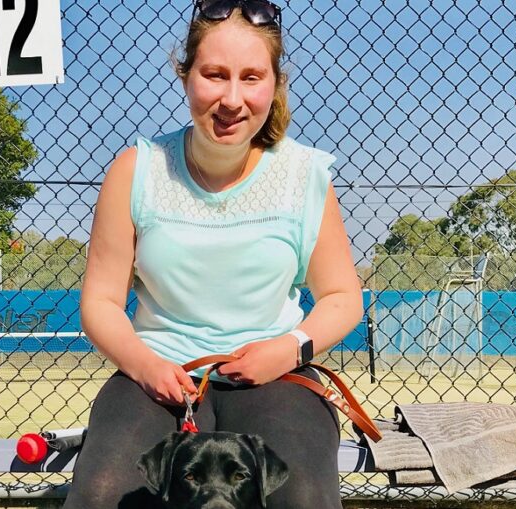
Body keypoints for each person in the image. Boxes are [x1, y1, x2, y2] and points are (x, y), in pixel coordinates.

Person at [64, 1, 363, 507]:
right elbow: (100, 303)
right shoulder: (136, 170)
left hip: (278, 376)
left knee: (303, 497)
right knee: (102, 495)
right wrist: (145, 365)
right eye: (215, 75)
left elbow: (341, 297)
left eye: (251, 77)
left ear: (275, 83)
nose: (231, 98)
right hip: (156, 377)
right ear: (185, 75)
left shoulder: (305, 175)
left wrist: (287, 349)